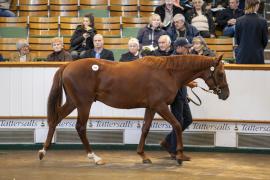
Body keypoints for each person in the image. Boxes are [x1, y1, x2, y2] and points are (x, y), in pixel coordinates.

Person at [157, 37, 197, 161]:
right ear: (179, 48)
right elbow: (174, 80)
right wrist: (188, 83)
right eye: (186, 47)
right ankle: (174, 149)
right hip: (175, 96)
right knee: (178, 122)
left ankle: (168, 141)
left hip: (181, 94)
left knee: (187, 119)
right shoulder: (173, 60)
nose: (188, 49)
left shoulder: (181, 59)